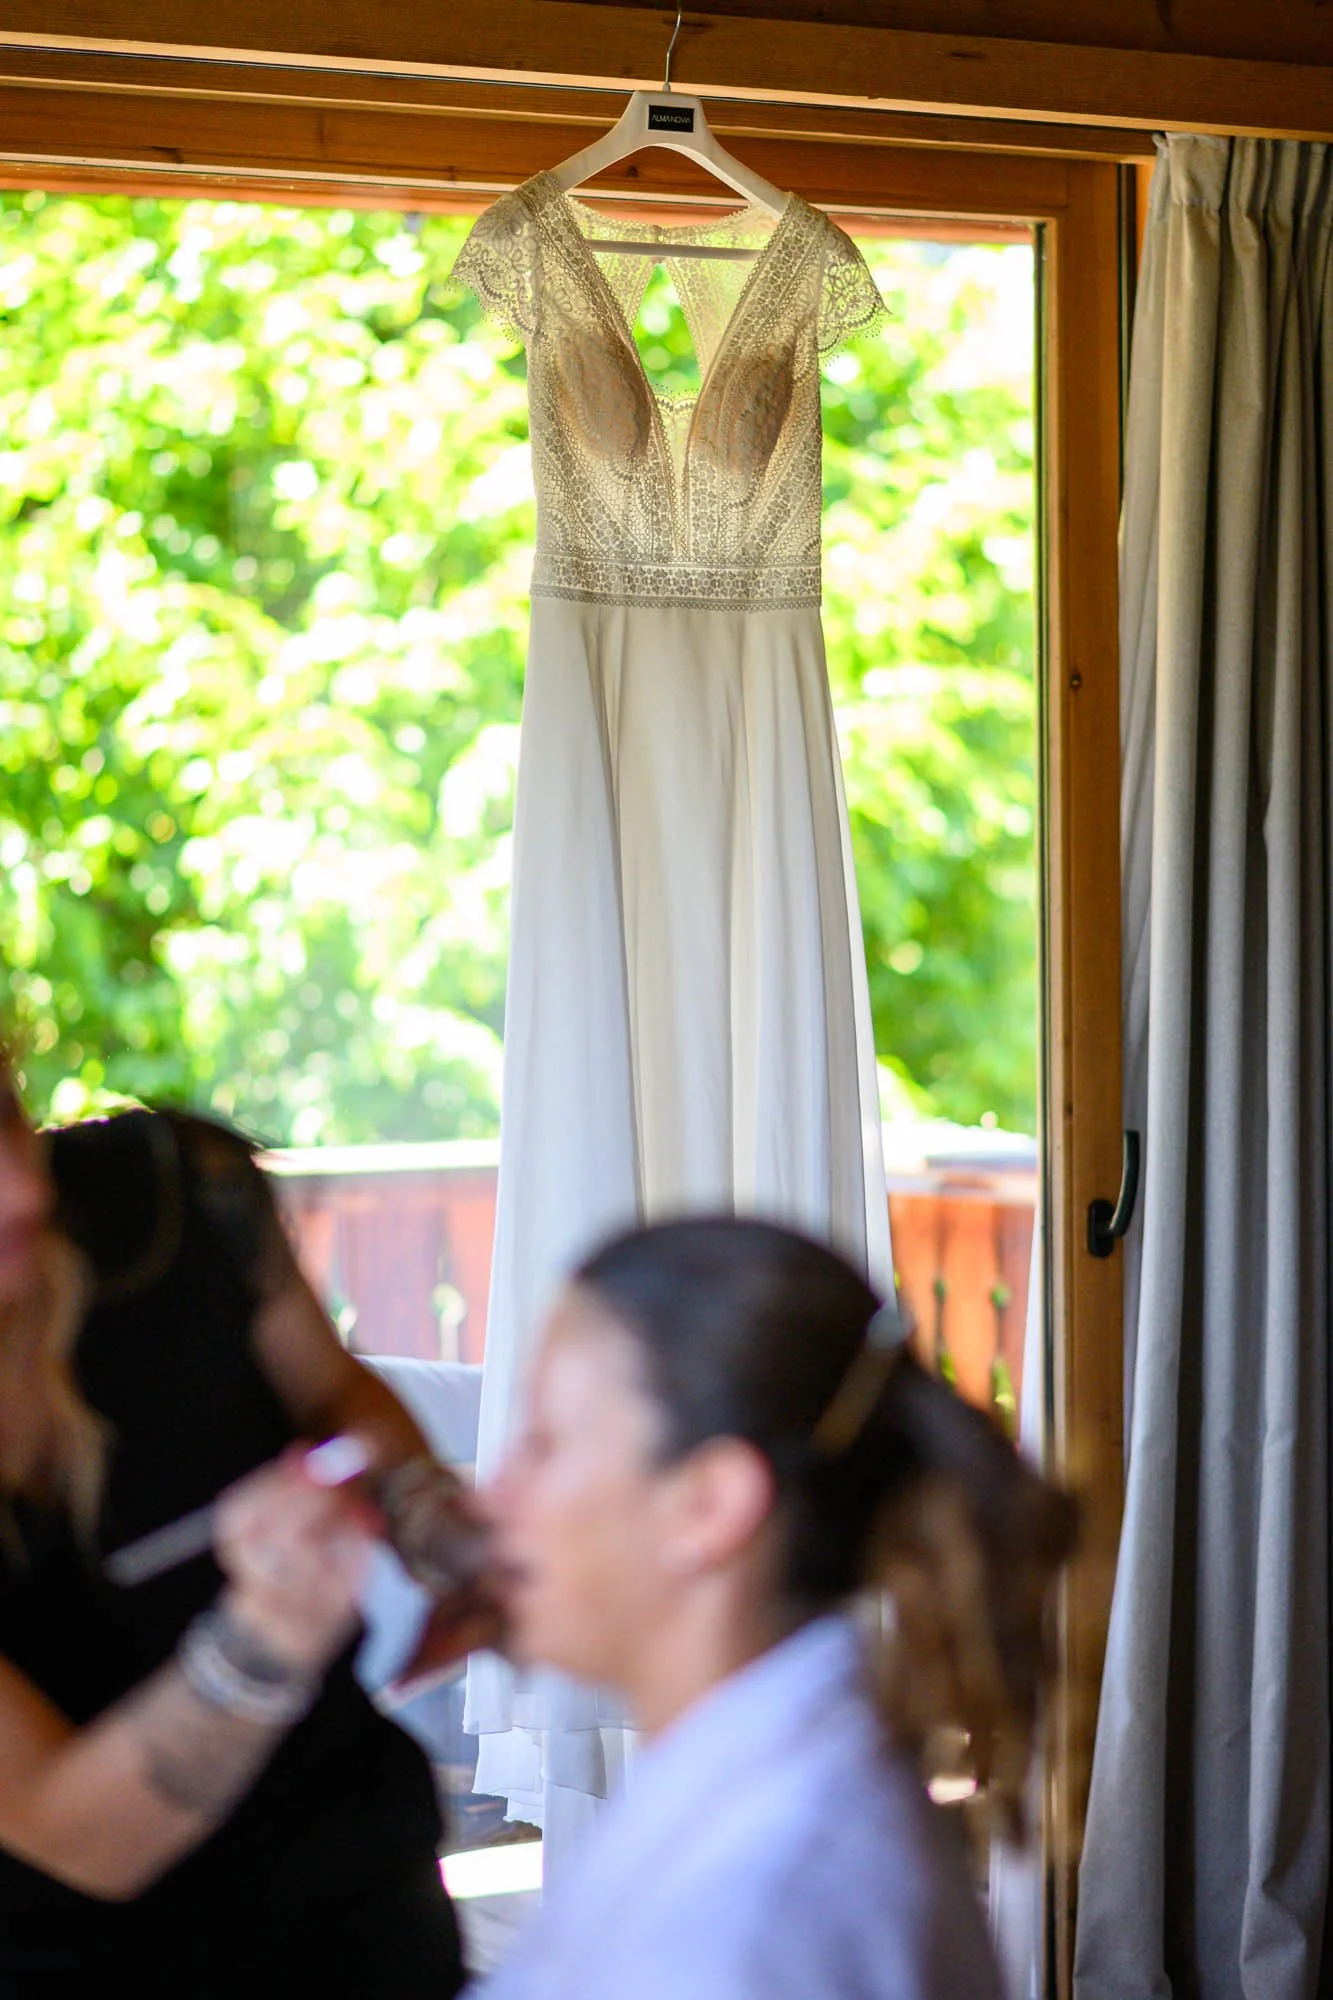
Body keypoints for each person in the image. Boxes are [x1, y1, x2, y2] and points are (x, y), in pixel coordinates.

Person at [478, 1216, 1076, 2000]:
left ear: (708, 1503)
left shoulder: (748, 1922)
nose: (492, 1497)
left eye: (543, 1443)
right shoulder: (754, 1779)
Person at [0, 1050, 489, 1999]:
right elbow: (76, 1835)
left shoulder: (174, 1197)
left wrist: (432, 1525)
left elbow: (338, 1395)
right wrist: (264, 1639)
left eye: (7, 1120)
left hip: (366, 1908)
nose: (20, 1191)